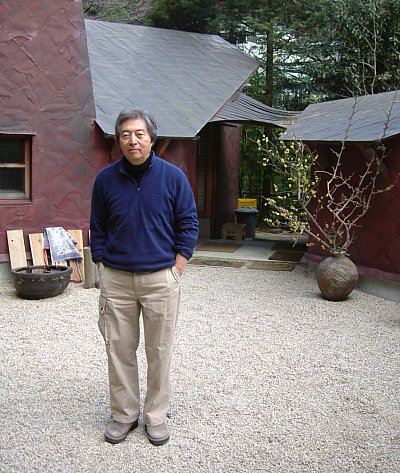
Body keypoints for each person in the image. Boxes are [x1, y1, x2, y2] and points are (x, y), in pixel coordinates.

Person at [90, 107, 199, 446]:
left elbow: (188, 224)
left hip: (160, 279)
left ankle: (156, 416)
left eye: (139, 134)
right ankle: (124, 415)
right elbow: (98, 226)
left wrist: (177, 267)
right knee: (118, 350)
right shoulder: (105, 179)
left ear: (152, 138)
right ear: (119, 140)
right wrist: (103, 266)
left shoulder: (173, 178)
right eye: (125, 135)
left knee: (159, 350)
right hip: (117, 281)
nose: (132, 140)